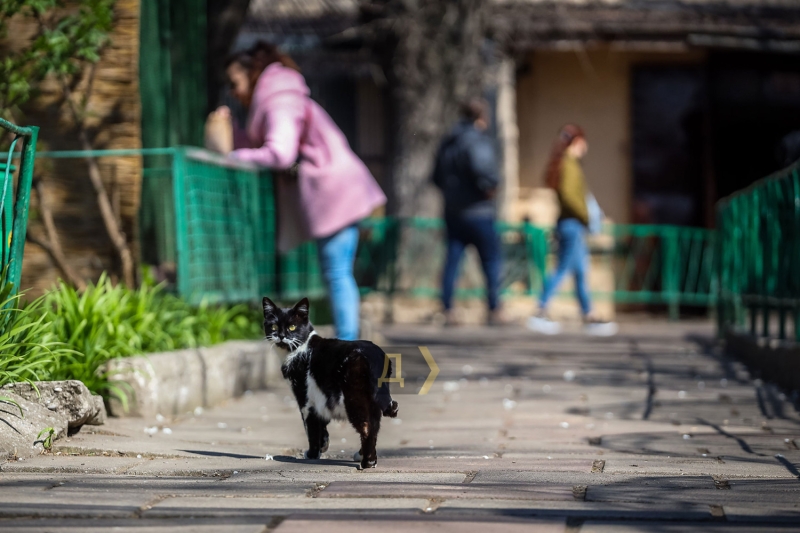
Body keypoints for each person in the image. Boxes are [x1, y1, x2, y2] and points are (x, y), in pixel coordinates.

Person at [213, 42, 386, 341]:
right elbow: (267, 146)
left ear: (252, 74)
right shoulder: (277, 98)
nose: (233, 91)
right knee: (337, 271)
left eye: (234, 83)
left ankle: (347, 347)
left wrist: (234, 157)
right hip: (337, 191)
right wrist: (234, 137)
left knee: (336, 272)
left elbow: (279, 153)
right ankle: (348, 344)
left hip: (335, 193)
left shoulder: (278, 100)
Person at [527, 124, 617, 336]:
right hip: (572, 224)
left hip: (571, 223)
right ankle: (540, 309)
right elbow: (569, 196)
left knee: (579, 272)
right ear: (577, 141)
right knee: (563, 269)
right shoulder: (569, 165)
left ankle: (590, 315)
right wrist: (587, 216)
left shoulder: (567, 163)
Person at [432, 98, 504, 326]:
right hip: (479, 212)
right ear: (481, 117)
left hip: (453, 212)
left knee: (453, 261)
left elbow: (435, 177)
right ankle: (494, 308)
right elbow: (484, 170)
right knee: (491, 261)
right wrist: (490, 187)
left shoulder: (448, 142)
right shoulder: (476, 140)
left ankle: (447, 308)